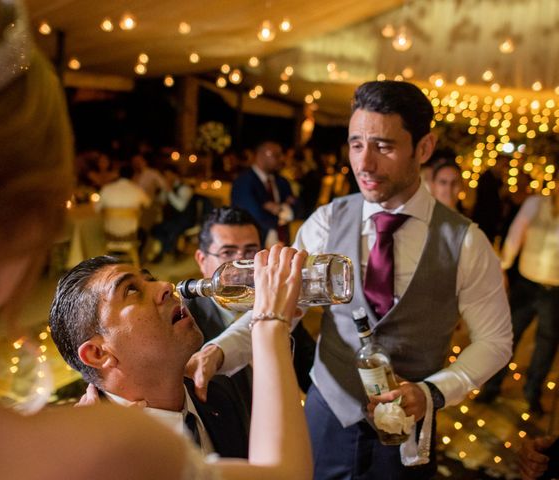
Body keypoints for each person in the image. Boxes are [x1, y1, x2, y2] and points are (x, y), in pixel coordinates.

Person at [0, 2, 312, 479]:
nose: (166, 287)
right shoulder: (103, 446)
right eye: (131, 289)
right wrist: (271, 319)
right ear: (16, 224)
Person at [187, 81, 512, 479]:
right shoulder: (325, 222)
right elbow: (281, 309)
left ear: (423, 148)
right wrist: (220, 351)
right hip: (327, 413)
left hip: (406, 430)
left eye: (383, 146)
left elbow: (495, 341)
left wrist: (432, 392)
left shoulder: (466, 242)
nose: (364, 163)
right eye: (356, 144)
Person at [49, 256, 250, 458]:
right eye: (131, 290)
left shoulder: (220, 397)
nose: (165, 286)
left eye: (151, 279)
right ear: (98, 353)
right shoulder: (97, 461)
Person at [190, 207, 316, 398]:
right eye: (228, 253)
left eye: (250, 251)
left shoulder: (280, 303)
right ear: (201, 260)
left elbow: (310, 372)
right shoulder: (189, 324)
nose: (240, 265)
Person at [476, 186, 559, 413]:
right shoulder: (535, 203)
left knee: (546, 344)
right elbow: (515, 234)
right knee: (508, 336)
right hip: (526, 285)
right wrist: (502, 267)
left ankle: (532, 391)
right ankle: (491, 387)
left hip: (555, 291)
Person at [231, 141, 297, 246]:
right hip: (255, 242)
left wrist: (279, 209)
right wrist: (283, 215)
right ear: (261, 155)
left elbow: (299, 208)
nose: (281, 159)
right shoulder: (244, 182)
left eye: (281, 155)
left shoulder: (282, 182)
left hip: (282, 240)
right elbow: (253, 215)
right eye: (276, 155)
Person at [96, 163, 151, 239]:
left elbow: (97, 209)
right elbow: (148, 204)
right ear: (133, 176)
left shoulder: (106, 189)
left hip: (109, 233)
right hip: (131, 233)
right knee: (145, 233)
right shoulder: (138, 190)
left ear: (118, 174)